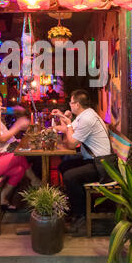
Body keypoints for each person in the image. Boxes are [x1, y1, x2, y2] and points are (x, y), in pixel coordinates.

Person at [52, 89, 112, 230]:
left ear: (77, 104)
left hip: (102, 165)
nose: (70, 105)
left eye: (71, 102)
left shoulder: (87, 118)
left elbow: (72, 142)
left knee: (70, 176)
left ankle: (81, 216)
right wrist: (63, 119)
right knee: (64, 165)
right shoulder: (85, 114)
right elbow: (70, 129)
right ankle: (75, 205)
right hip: (92, 159)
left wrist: (67, 124)